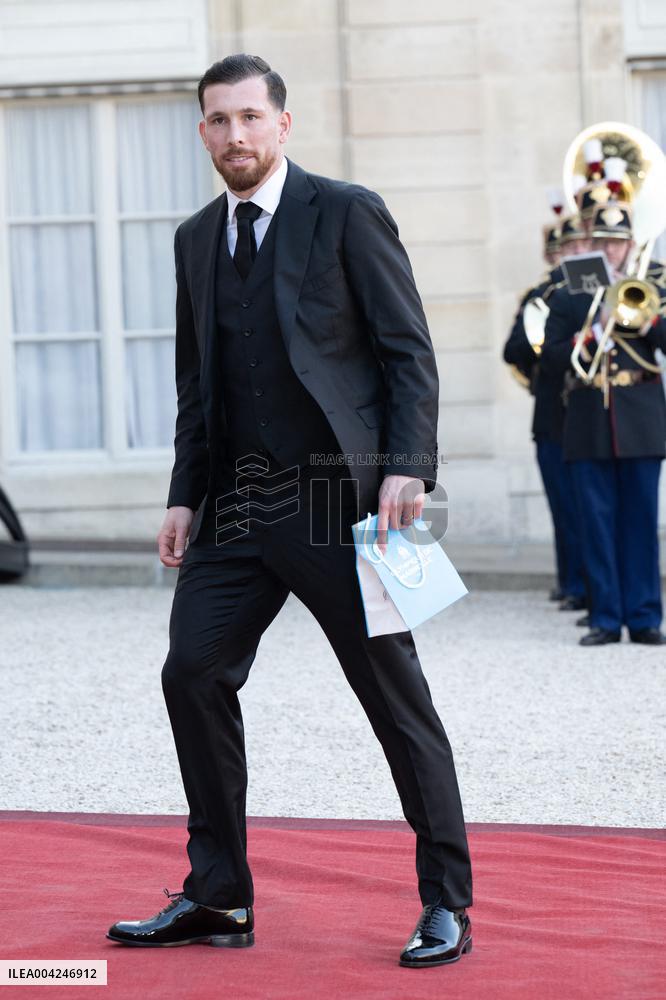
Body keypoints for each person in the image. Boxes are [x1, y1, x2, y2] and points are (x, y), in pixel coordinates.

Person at [106, 54, 473, 967]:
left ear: (283, 123)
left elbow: (407, 352)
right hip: (236, 505)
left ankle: (448, 903)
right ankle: (219, 898)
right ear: (203, 133)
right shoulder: (195, 238)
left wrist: (407, 468)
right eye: (218, 121)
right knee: (190, 673)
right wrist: (185, 494)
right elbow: (198, 386)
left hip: (346, 504)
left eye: (250, 118)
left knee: (399, 704)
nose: (235, 135)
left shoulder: (346, 211)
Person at [541, 202, 666, 645]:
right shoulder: (573, 288)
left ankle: (646, 615)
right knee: (596, 523)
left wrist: (645, 316)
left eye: (619, 243)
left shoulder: (656, 281)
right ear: (593, 245)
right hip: (589, 417)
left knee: (640, 522)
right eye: (604, 243)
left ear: (631, 244)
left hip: (641, 416)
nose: (611, 252)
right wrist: (587, 334)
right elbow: (551, 358)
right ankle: (606, 618)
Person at [503, 214, 587, 611]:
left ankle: (595, 587)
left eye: (579, 247)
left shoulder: (605, 291)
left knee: (593, 508)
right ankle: (572, 581)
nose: (573, 255)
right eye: (567, 249)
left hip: (594, 416)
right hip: (554, 414)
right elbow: (513, 350)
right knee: (564, 506)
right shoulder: (542, 294)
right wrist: (544, 339)